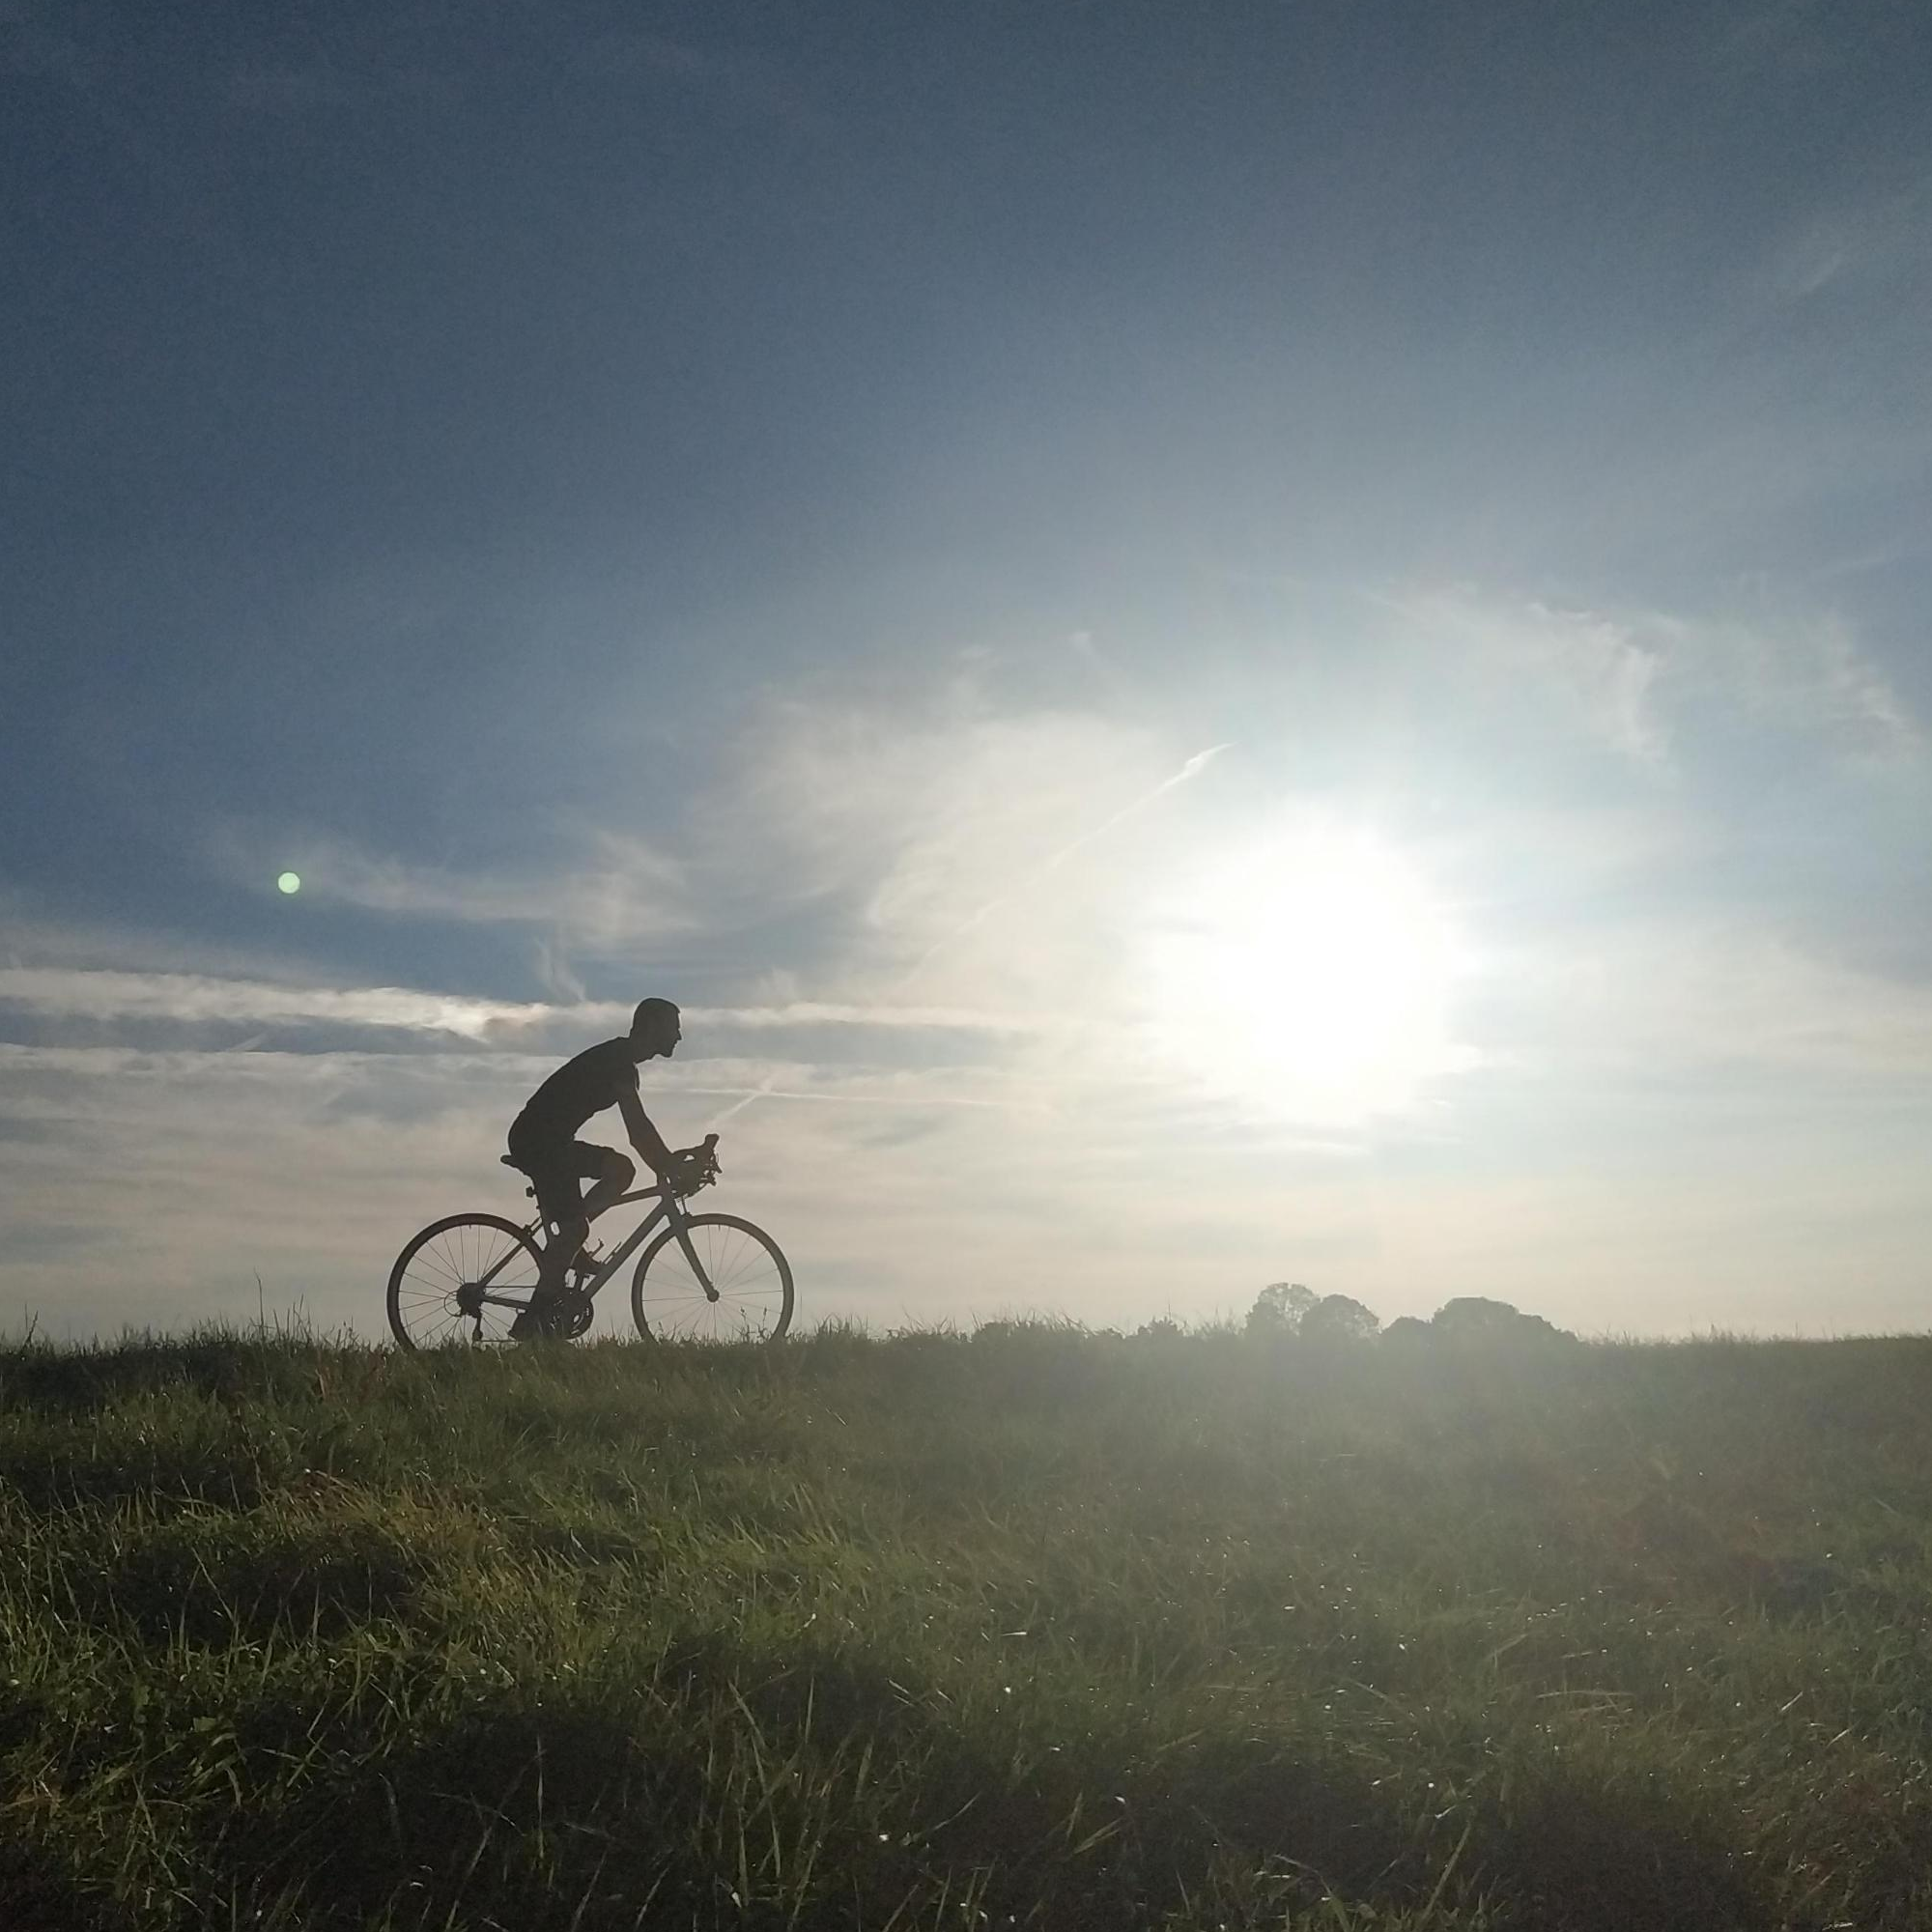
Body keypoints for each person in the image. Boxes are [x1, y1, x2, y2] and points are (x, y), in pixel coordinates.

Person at [504, 996, 688, 1337]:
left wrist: (667, 1161)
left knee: (622, 1170)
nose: (679, 1036)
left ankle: (568, 1248)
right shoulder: (619, 1062)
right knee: (575, 1229)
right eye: (674, 1028)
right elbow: (638, 1129)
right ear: (652, 1027)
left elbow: (640, 1131)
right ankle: (534, 1320)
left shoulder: (623, 1063)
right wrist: (668, 1163)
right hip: (538, 1142)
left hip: (550, 1140)